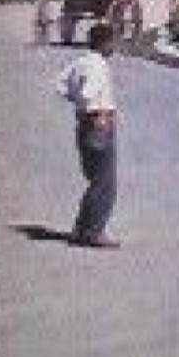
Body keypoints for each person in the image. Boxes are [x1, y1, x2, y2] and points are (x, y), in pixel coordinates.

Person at [54, 23, 122, 248]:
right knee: (105, 182)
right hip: (98, 122)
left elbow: (61, 85)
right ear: (105, 43)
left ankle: (81, 228)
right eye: (112, 41)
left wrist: (79, 104)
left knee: (96, 180)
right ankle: (94, 231)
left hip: (85, 122)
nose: (114, 46)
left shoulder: (81, 62)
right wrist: (96, 111)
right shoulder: (97, 66)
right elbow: (88, 93)